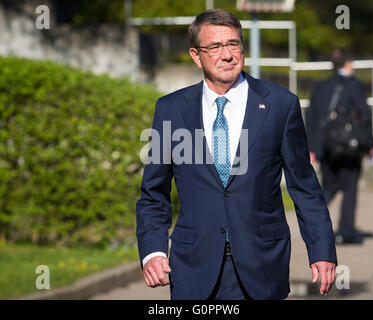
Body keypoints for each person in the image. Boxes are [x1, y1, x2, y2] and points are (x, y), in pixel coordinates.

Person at [136, 9, 337, 300]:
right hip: (194, 268)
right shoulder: (171, 110)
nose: (227, 54)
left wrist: (321, 251)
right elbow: (153, 193)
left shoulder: (281, 105)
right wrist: (153, 251)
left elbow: (305, 188)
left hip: (262, 265)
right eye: (215, 47)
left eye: (233, 44)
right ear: (196, 55)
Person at [305, 48, 373, 245]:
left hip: (326, 147)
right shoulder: (355, 86)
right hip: (348, 148)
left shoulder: (321, 86)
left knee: (328, 186)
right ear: (348, 63)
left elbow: (311, 117)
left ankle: (312, 223)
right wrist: (370, 144)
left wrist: (312, 146)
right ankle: (345, 233)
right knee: (350, 189)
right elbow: (364, 117)